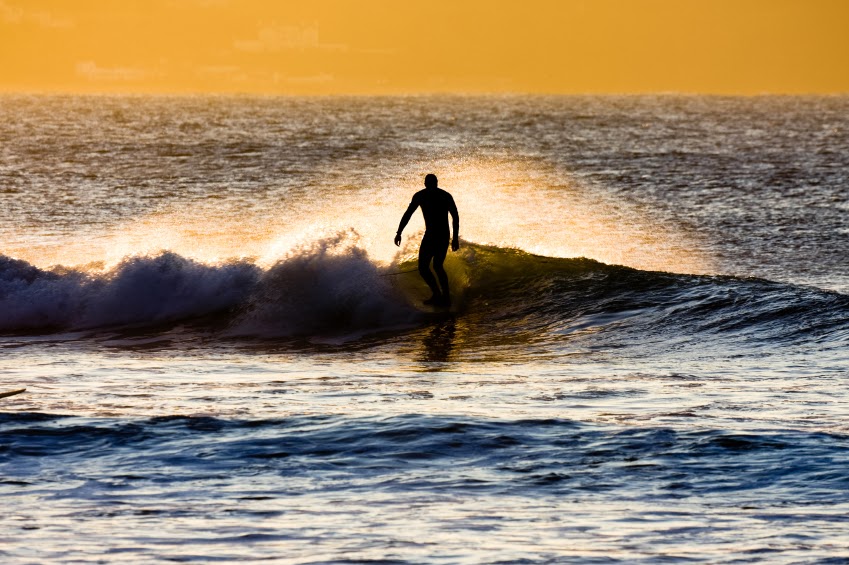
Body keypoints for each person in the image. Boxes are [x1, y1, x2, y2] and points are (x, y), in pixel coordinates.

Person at [394, 173, 460, 307]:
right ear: (425, 184)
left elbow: (455, 216)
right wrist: (399, 232)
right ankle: (437, 295)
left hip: (442, 235)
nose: (431, 187)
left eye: (432, 184)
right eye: (429, 184)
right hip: (430, 235)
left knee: (437, 265)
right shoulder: (421, 196)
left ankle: (445, 297)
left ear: (436, 183)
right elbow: (408, 214)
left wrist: (455, 238)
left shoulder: (444, 196)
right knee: (423, 268)